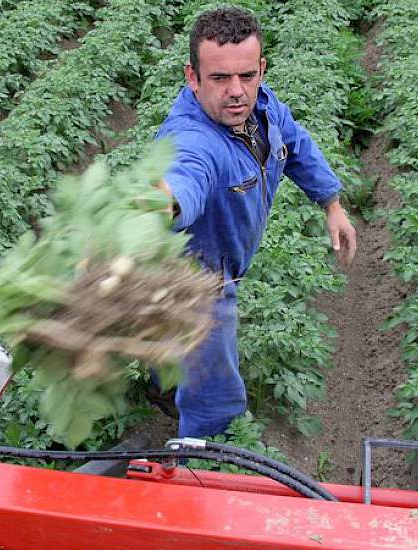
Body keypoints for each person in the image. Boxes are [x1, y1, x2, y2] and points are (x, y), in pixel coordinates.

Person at [155, 7, 357, 439]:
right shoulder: (192, 139)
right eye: (219, 78)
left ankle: (162, 384)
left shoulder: (262, 106)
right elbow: (184, 178)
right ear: (192, 77)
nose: (236, 92)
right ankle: (203, 464)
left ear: (261, 69)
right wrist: (161, 202)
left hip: (221, 260)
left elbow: (296, 143)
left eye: (247, 76)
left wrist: (332, 203)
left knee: (171, 352)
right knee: (217, 397)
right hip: (196, 280)